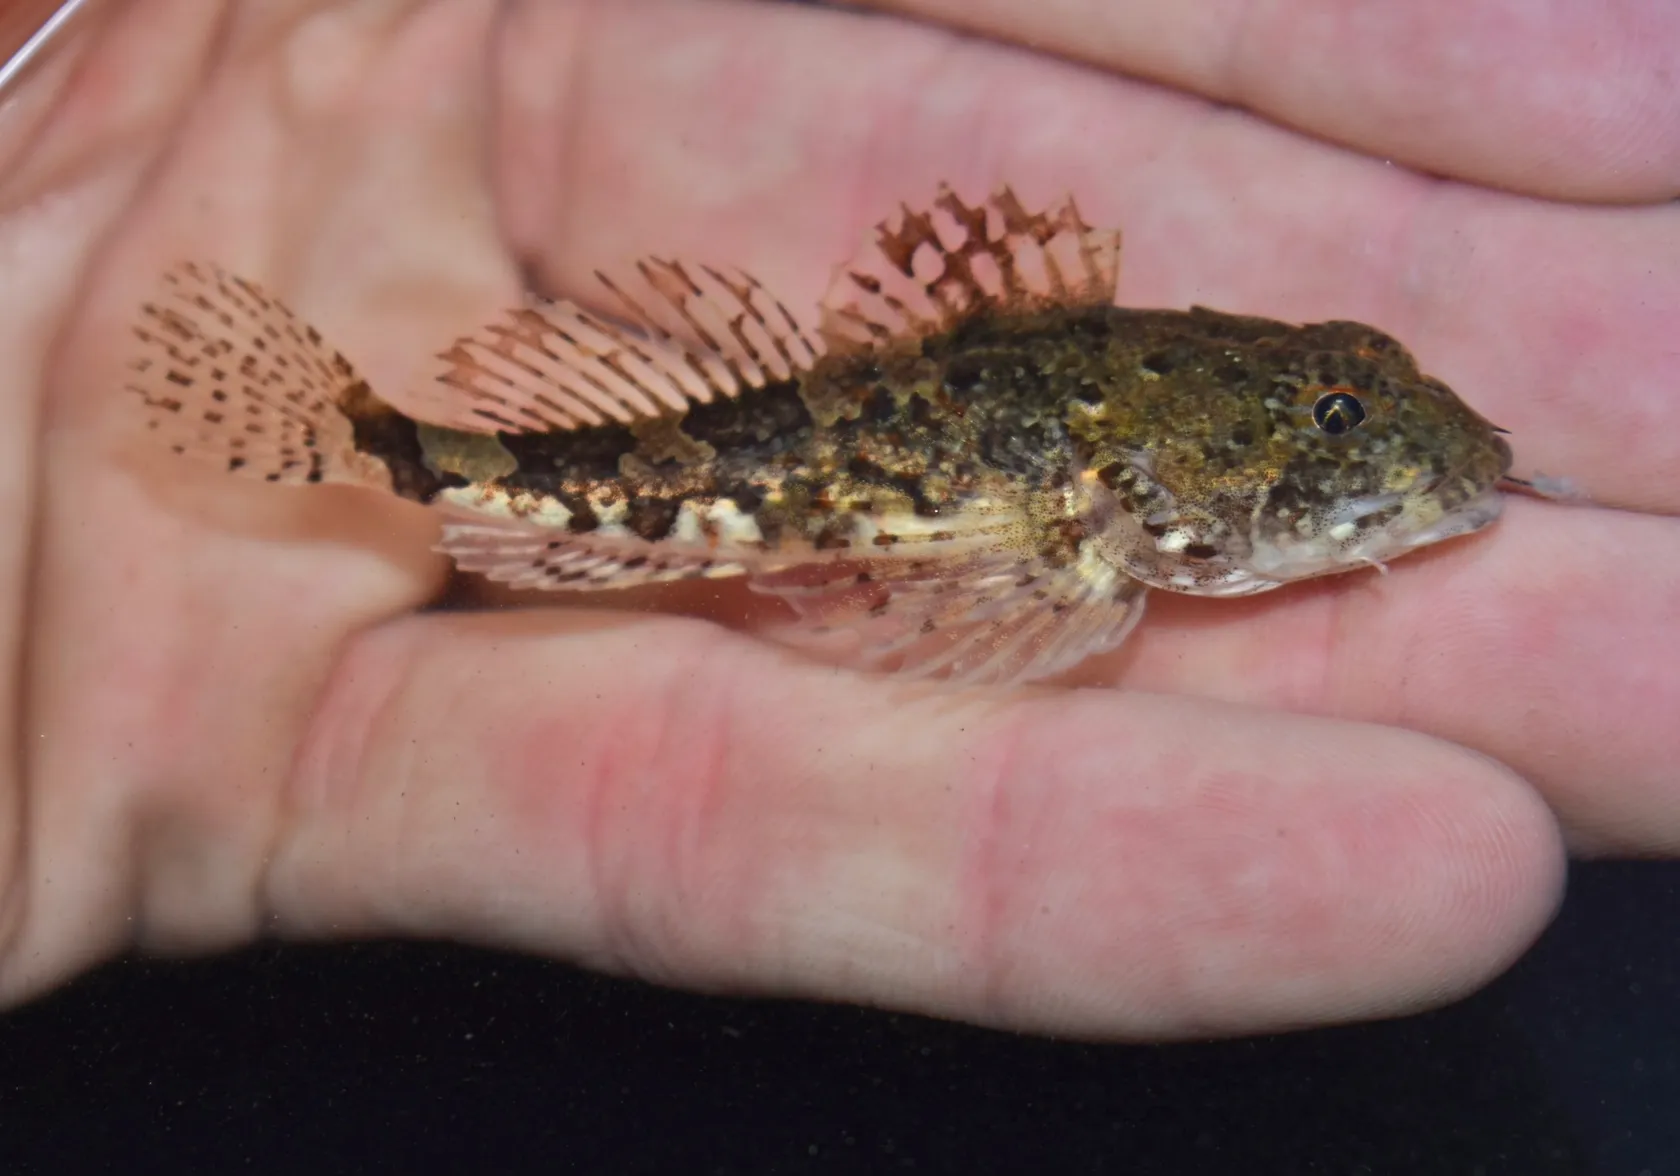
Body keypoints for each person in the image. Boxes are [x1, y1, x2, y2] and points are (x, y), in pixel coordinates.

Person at [0, 0, 1673, 1038]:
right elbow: (976, 595)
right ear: (1156, 463)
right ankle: (366, 436)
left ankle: (371, 436)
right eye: (1335, 412)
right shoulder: (1081, 518)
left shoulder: (1115, 484)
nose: (1369, 436)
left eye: (1347, 403)